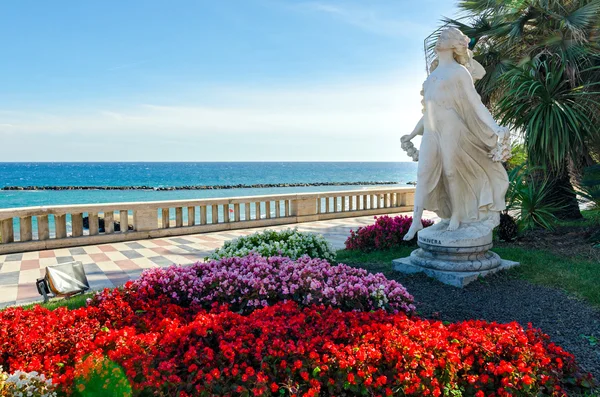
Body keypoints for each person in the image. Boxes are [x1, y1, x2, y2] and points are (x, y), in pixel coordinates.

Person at [402, 27, 509, 241]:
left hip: (452, 126)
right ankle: (416, 220)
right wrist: (413, 133)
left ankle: (457, 214)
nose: (439, 39)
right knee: (423, 172)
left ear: (453, 44)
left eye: (444, 37)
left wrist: (495, 127)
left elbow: (475, 103)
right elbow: (428, 111)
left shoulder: (460, 72)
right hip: (432, 129)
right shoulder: (432, 76)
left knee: (451, 171)